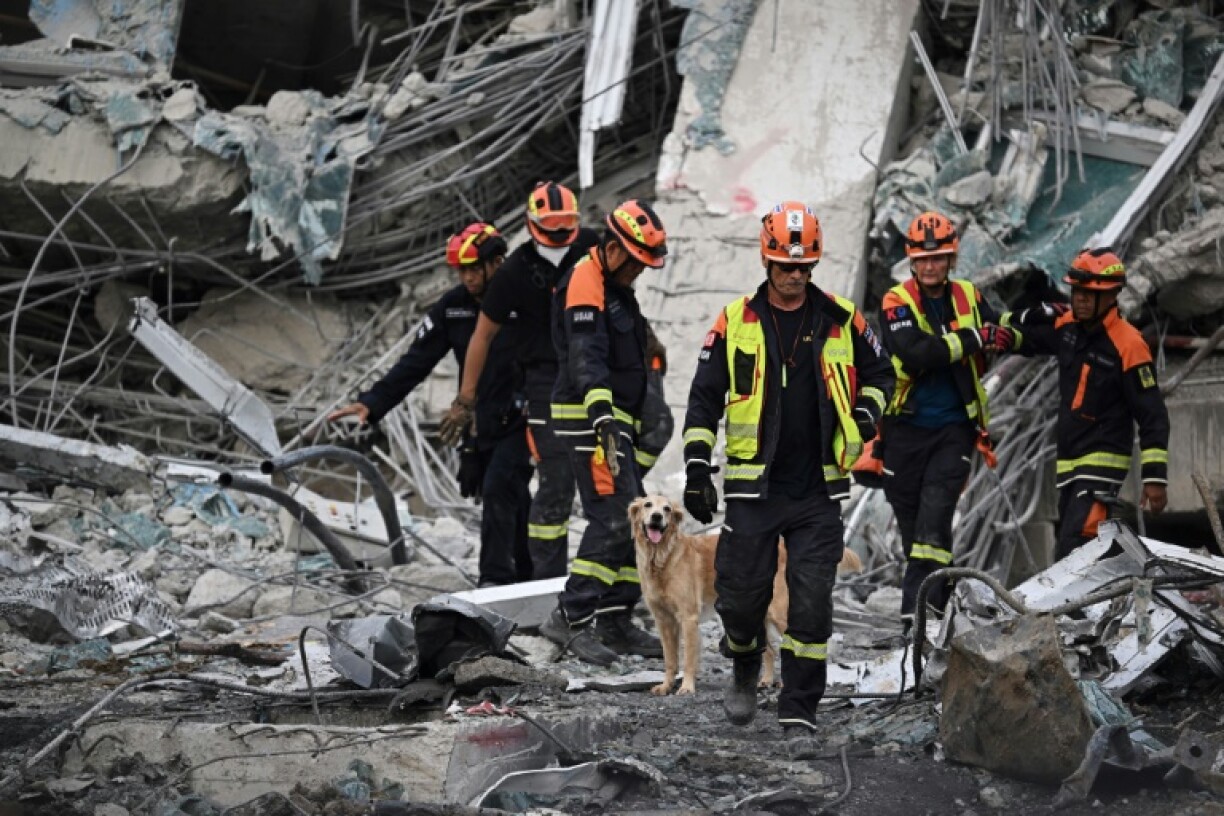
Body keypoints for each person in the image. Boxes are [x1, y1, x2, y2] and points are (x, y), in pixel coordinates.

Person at [681, 201, 894, 753]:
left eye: (803, 267)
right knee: (740, 599)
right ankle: (745, 663)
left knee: (811, 605)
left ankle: (799, 714)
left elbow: (882, 374)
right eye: (784, 265)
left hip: (819, 490)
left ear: (813, 265)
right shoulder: (734, 321)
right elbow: (704, 399)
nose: (794, 275)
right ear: (767, 260)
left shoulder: (844, 318)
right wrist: (698, 468)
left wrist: (867, 415)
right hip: (754, 489)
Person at [328, 223, 533, 586]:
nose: (468, 278)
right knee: (504, 495)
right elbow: (416, 361)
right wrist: (373, 404)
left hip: (523, 416)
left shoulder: (526, 300)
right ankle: (528, 577)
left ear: (497, 263)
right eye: (462, 271)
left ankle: (495, 582)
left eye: (474, 269)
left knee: (503, 486)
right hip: (478, 421)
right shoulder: (452, 308)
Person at [440, 182, 599, 580]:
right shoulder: (512, 276)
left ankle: (602, 586)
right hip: (544, 384)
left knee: (608, 482)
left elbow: (621, 293)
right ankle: (539, 583)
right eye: (553, 229)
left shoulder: (591, 248)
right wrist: (465, 401)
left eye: (567, 229)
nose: (561, 238)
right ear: (532, 225)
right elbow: (481, 336)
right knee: (551, 481)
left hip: (595, 369)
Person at [537, 199, 671, 666]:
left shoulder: (613, 284)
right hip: (591, 420)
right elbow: (585, 355)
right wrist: (602, 418)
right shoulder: (585, 280)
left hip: (614, 422)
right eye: (635, 261)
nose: (639, 271)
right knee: (615, 517)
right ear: (613, 247)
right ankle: (571, 619)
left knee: (632, 518)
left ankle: (615, 619)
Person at [878, 211, 1021, 629]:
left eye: (938, 258)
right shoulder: (896, 302)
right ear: (911, 260)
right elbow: (917, 353)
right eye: (922, 259)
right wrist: (973, 339)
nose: (930, 266)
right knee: (916, 534)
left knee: (935, 521)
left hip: (953, 430)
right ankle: (948, 600)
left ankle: (916, 612)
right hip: (904, 431)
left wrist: (1012, 332)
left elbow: (998, 329)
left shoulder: (969, 296)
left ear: (951, 258)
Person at [1011, 247, 1169, 558]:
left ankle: (1073, 607)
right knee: (1087, 549)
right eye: (1077, 291)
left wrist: (1155, 479)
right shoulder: (1068, 328)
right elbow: (1029, 339)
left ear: (1111, 295)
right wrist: (996, 333)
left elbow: (1153, 416)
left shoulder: (1129, 344)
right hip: (1070, 464)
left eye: (1089, 293)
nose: (1080, 298)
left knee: (1074, 548)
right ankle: (1110, 600)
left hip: (1102, 463)